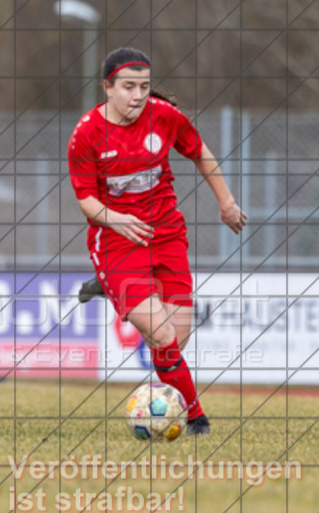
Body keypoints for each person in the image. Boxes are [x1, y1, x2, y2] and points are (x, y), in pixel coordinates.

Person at [67, 46, 247, 436]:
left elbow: (200, 152)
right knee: (162, 335)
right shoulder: (86, 135)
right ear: (107, 88)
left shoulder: (164, 117)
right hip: (116, 240)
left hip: (166, 234)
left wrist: (227, 203)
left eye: (144, 87)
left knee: (172, 342)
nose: (137, 95)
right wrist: (119, 220)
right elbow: (86, 201)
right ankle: (197, 418)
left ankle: (112, 289)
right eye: (128, 86)